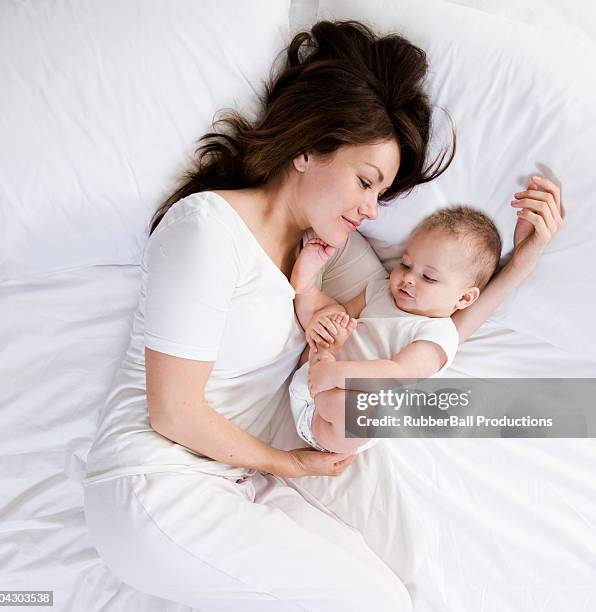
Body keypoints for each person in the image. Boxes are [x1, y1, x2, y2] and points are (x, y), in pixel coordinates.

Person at [82, 18, 562, 612]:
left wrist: (520, 264)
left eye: (380, 195)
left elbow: (427, 329)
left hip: (238, 482)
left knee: (398, 580)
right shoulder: (206, 228)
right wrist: (287, 463)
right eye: (365, 182)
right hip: (155, 485)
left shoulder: (329, 252)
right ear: (307, 147)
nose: (369, 208)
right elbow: (173, 411)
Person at [288, 206, 502, 455]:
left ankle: (324, 363)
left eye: (428, 278)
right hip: (313, 376)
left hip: (332, 423)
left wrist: (335, 375)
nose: (408, 278)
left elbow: (396, 374)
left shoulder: (439, 336)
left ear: (465, 298)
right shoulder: (382, 290)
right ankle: (304, 286)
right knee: (329, 319)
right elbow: (341, 316)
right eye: (405, 264)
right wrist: (326, 326)